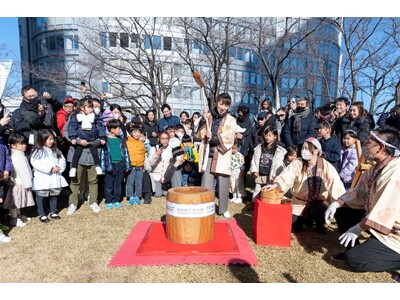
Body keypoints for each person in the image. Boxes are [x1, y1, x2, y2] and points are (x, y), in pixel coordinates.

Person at [324, 126, 400, 272]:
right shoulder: (376, 167)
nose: (364, 145)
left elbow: (384, 211)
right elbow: (358, 193)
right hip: (377, 221)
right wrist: (336, 203)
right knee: (343, 211)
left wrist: (358, 228)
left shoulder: (395, 173)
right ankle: (355, 247)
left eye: (369, 142)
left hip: (393, 232)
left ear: (381, 147)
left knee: (354, 260)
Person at [263, 137, 346, 234]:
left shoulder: (326, 166)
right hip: (299, 203)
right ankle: (306, 221)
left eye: (307, 148)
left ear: (315, 151)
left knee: (317, 210)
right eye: (302, 148)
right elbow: (286, 176)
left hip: (319, 203)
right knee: (292, 227)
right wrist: (276, 185)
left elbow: (335, 185)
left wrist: (340, 202)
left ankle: (320, 224)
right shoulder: (297, 163)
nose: (303, 151)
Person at [195, 93, 237, 218]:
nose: (222, 107)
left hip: (222, 155)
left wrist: (213, 137)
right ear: (216, 103)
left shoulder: (231, 120)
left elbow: (230, 138)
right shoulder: (209, 116)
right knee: (206, 182)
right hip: (208, 154)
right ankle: (206, 206)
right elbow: (198, 134)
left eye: (226, 105)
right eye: (221, 103)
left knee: (223, 183)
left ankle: (223, 208)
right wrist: (203, 119)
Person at [30, 129, 68, 223]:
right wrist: (50, 168)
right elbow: (35, 163)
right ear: (42, 139)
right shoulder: (38, 151)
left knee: (54, 195)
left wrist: (59, 167)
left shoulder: (56, 150)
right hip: (43, 178)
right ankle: (42, 213)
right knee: (41, 196)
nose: (52, 141)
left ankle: (53, 211)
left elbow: (62, 160)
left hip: (54, 176)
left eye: (52, 139)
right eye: (49, 139)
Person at [11, 86, 62, 151]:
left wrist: (51, 99)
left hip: (53, 137)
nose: (33, 98)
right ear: (24, 98)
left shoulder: (45, 101)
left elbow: (59, 107)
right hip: (38, 140)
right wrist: (40, 114)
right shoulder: (24, 109)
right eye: (30, 96)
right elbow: (33, 121)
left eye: (34, 95)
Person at [68, 98, 107, 177]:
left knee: (95, 153)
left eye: (91, 107)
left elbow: (100, 127)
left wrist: (102, 137)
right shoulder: (76, 117)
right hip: (81, 138)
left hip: (92, 139)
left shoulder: (95, 117)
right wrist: (73, 137)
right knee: (77, 153)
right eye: (89, 107)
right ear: (82, 108)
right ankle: (73, 168)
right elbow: (72, 127)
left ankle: (98, 166)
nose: (91, 109)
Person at [3, 134, 35, 228]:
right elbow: (22, 171)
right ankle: (14, 219)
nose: (24, 146)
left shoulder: (20, 154)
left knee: (18, 201)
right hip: (17, 183)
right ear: (13, 145)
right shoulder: (16, 156)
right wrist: (28, 183)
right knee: (14, 203)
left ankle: (18, 216)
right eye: (20, 144)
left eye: (24, 143)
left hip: (20, 183)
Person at [250, 125, 287, 201]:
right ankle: (254, 203)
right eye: (266, 135)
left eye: (270, 135)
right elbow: (254, 160)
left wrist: (275, 175)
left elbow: (278, 164)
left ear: (275, 137)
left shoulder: (278, 151)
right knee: (257, 190)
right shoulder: (259, 148)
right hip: (260, 174)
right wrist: (254, 170)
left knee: (267, 192)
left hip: (270, 176)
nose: (267, 137)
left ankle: (265, 204)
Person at [100, 119, 130, 209]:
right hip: (110, 164)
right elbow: (102, 154)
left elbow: (125, 152)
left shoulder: (121, 140)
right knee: (109, 184)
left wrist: (127, 164)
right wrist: (103, 167)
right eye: (118, 128)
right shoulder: (105, 140)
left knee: (118, 183)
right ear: (112, 130)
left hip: (120, 164)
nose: (120, 130)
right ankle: (109, 200)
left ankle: (116, 200)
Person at [125, 122, 146, 205]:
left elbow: (144, 153)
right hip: (131, 166)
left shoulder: (141, 143)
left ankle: (137, 196)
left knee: (139, 182)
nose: (137, 134)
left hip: (140, 166)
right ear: (131, 133)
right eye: (135, 132)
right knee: (130, 182)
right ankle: (130, 196)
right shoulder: (127, 142)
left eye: (138, 132)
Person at [148, 131, 173, 198]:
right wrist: (156, 155)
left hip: (166, 177)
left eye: (166, 138)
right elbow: (150, 163)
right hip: (156, 175)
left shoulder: (171, 149)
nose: (165, 140)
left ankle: (165, 186)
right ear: (159, 139)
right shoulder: (154, 149)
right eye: (163, 138)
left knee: (166, 194)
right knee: (158, 194)